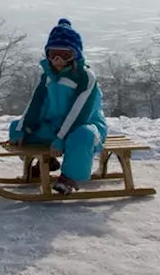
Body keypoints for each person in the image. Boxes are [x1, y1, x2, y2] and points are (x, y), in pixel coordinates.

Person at [8, 18, 107, 195]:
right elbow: (35, 104)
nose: (58, 60)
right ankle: (46, 161)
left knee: (81, 136)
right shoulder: (48, 76)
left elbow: (80, 113)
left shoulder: (85, 77)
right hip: (55, 127)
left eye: (65, 54)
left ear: (75, 54)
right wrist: (24, 128)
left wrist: (62, 137)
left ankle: (69, 178)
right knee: (16, 127)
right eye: (53, 54)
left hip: (83, 126)